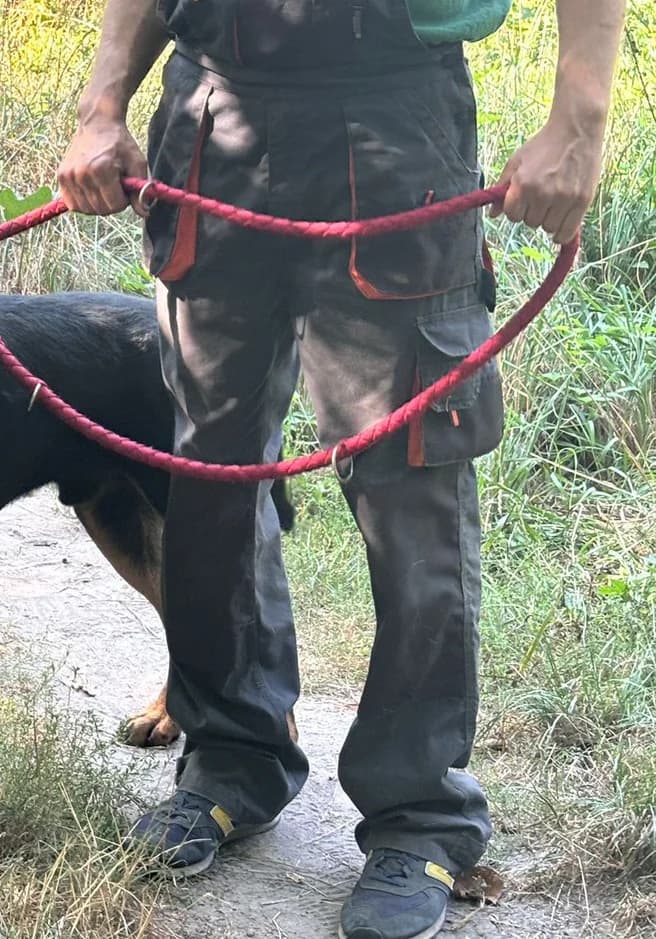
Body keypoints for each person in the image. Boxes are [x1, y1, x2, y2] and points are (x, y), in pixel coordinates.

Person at [57, 2, 624, 937]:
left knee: (414, 487)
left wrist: (580, 121)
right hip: (210, 123)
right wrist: (102, 102)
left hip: (390, 125)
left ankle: (420, 817)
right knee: (209, 475)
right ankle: (234, 758)